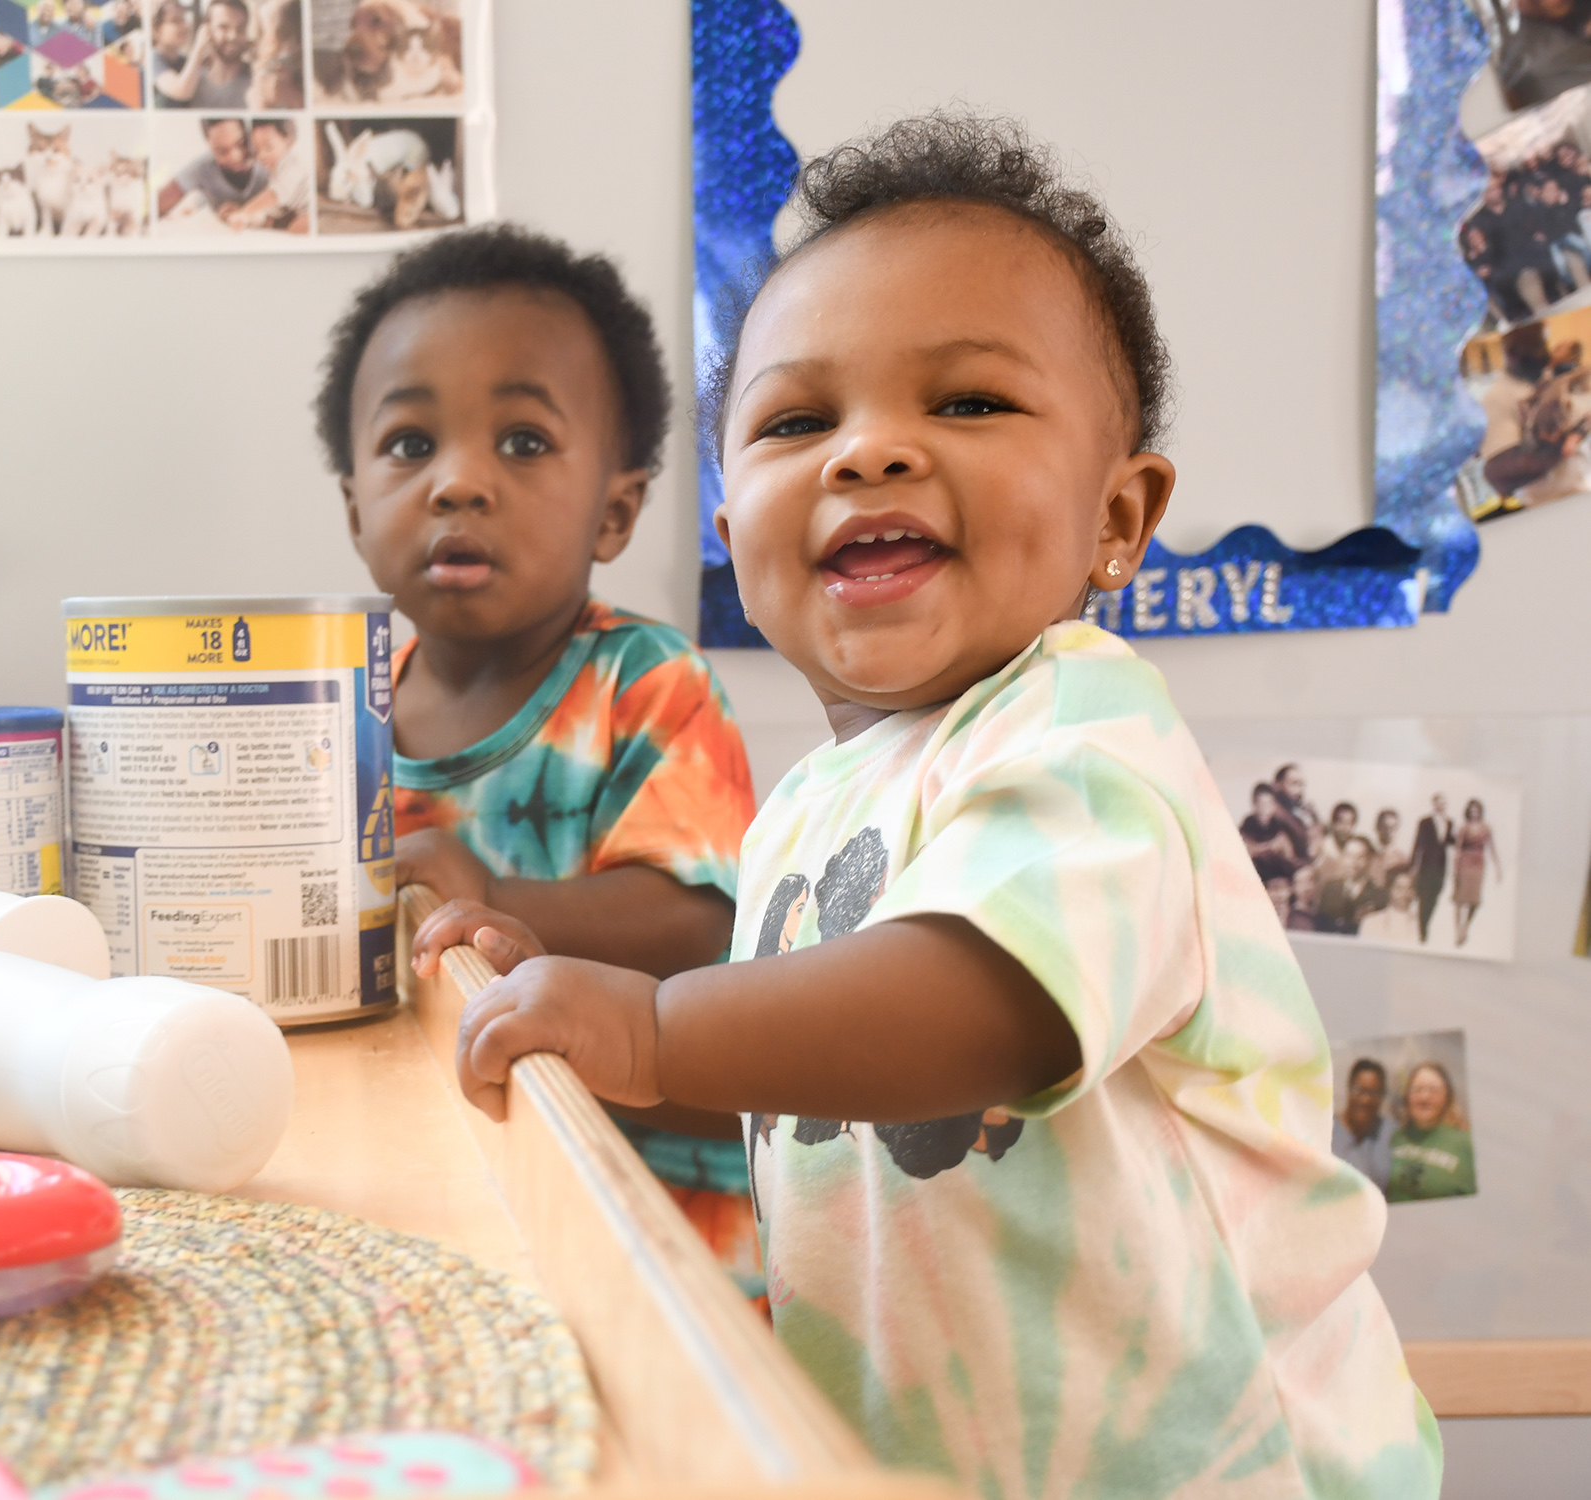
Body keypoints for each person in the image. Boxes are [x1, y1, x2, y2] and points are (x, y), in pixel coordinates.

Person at [412, 114, 1439, 1495]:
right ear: (732, 536)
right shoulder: (813, 805)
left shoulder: (1085, 736)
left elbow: (971, 1008)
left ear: (1118, 520)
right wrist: (574, 988)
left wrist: (649, 1026)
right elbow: (823, 1105)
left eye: (966, 403)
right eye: (796, 421)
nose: (869, 452)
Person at [318, 226, 762, 1292]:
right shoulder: (345, 709)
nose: (458, 483)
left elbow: (699, 914)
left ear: (615, 510)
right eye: (410, 445)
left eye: (522, 442)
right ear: (354, 510)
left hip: (659, 1207)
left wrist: (495, 895)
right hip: (452, 1174)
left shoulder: (647, 685)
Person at [1388, 1061, 1477, 1202]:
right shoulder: (1395, 1138)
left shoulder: (1466, 1143)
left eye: (1433, 1090)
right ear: (1407, 1097)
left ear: (1447, 1096)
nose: (1424, 1098)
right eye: (1417, 1090)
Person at [156, 117, 267, 222]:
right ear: (210, 148)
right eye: (222, 151)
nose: (235, 157)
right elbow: (155, 207)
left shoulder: (269, 159)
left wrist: (246, 213)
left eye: (242, 143)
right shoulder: (202, 167)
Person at [153, 0, 253, 108]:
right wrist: (199, 48)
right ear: (206, 30)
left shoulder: (257, 80)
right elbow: (182, 90)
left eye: (241, 28)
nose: (233, 35)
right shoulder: (156, 59)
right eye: (223, 27)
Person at [1332, 1058, 1394, 1193]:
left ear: (1382, 1096)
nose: (1365, 1100)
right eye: (1358, 1090)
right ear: (1348, 1088)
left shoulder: (1390, 1132)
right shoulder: (1328, 1134)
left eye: (1373, 1092)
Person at [1453, 797, 1503, 948]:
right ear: (1468, 812)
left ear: (1481, 812)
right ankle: (1457, 931)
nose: (1474, 813)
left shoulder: (1486, 828)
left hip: (1478, 865)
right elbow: (1458, 849)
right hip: (1464, 863)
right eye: (1472, 810)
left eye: (1477, 810)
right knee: (1459, 899)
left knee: (1474, 900)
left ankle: (1466, 927)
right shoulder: (1463, 828)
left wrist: (1498, 868)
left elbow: (1492, 848)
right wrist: (1455, 870)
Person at [1412, 792, 1455, 942]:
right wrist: (1414, 865)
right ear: (1434, 804)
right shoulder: (1425, 821)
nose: (1442, 806)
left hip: (1441, 867)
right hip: (1426, 865)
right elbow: (1418, 844)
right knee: (1424, 897)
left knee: (1435, 896)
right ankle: (1422, 928)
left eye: (1444, 803)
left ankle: (1425, 923)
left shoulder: (1449, 822)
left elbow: (1450, 841)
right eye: (1439, 803)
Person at [1239, 781, 1300, 882]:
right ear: (1254, 804)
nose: (1265, 808)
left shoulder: (1279, 825)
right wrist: (1270, 846)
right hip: (1256, 874)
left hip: (1277, 873)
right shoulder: (1247, 825)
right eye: (1262, 803)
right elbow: (1246, 851)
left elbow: (1289, 854)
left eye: (1269, 804)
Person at [1358, 868, 1423, 946]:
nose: (1405, 893)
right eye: (1399, 888)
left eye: (1409, 888)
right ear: (1389, 890)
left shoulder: (1420, 924)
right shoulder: (1371, 922)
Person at [1374, 806, 1410, 883]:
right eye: (1385, 827)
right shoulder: (1369, 855)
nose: (1389, 832)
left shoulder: (1402, 859)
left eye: (1393, 828)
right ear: (1377, 827)